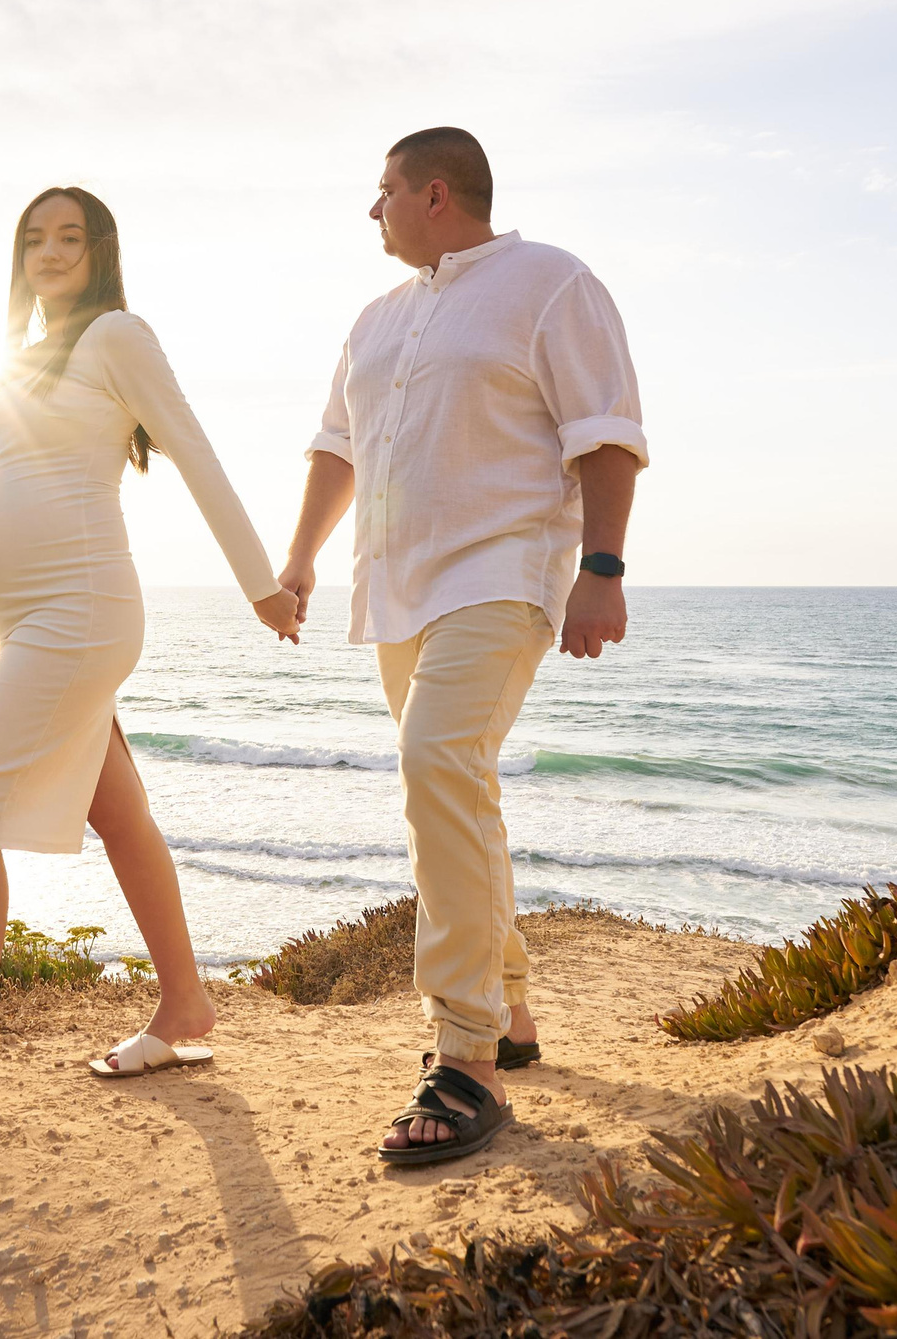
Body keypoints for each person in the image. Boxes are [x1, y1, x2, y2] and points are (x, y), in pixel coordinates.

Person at [0, 186, 300, 1145]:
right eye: (33, 237)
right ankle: (184, 1007)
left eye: (68, 237)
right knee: (117, 808)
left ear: (100, 251)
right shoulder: (24, 356)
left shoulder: (116, 334)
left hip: (80, 612)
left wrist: (263, 586)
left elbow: (196, 452)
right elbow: (21, 473)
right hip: (34, 614)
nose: (49, 251)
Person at [276, 127, 646, 1167]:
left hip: (503, 571)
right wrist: (299, 558)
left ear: (435, 194)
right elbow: (335, 445)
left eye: (382, 191)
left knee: (435, 758)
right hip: (396, 588)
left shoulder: (548, 283)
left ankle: (464, 1057)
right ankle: (512, 1011)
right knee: (458, 782)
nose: (372, 210)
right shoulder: (376, 318)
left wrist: (602, 569)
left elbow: (607, 430)